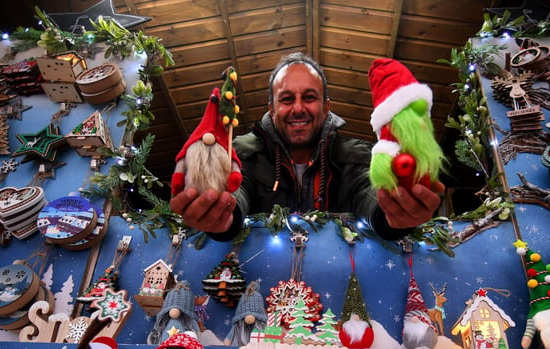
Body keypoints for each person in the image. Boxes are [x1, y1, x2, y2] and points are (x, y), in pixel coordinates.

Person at [170, 52, 444, 241]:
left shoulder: (356, 156)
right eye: (286, 99)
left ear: (326, 108)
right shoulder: (241, 153)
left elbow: (371, 196)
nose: (298, 108)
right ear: (272, 108)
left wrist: (395, 215)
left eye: (309, 97)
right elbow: (235, 191)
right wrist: (220, 218)